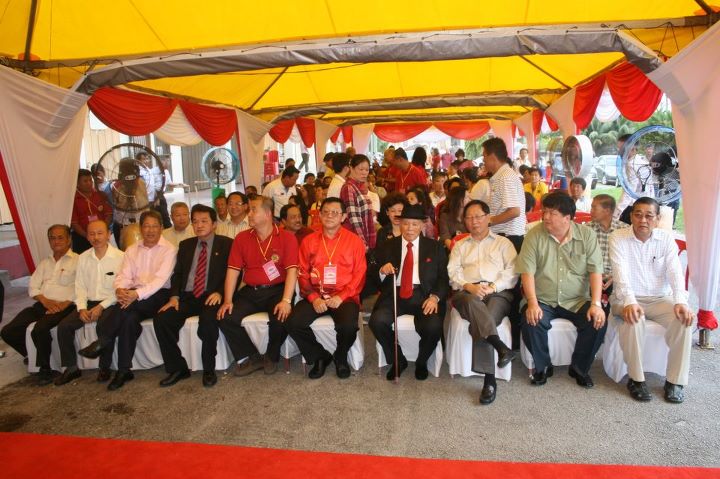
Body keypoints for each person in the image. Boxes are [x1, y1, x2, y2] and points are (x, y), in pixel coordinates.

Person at [78, 210, 176, 391]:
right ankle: (124, 370)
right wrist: (120, 289)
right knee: (129, 320)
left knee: (126, 308)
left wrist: (135, 295)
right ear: (140, 228)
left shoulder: (169, 250)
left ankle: (103, 341)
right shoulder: (132, 249)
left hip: (158, 294)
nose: (150, 230)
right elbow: (123, 275)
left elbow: (159, 280)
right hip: (134, 296)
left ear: (162, 228)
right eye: (146, 226)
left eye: (154, 226)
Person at [609, 197, 694, 403]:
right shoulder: (618, 237)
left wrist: (680, 301)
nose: (643, 220)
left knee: (683, 320)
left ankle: (675, 381)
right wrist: (630, 302)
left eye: (649, 216)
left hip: (659, 298)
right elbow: (620, 274)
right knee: (634, 319)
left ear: (657, 219)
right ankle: (636, 379)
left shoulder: (666, 239)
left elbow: (675, 271)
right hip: (625, 298)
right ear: (631, 217)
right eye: (638, 215)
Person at [516, 192, 606, 387]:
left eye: (552, 213)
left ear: (568, 218)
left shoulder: (587, 236)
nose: (545, 217)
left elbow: (595, 271)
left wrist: (596, 304)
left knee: (597, 321)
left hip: (577, 299)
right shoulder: (534, 235)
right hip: (543, 299)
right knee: (531, 320)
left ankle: (579, 368)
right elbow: (526, 272)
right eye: (545, 211)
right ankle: (543, 366)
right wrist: (532, 302)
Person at [283, 197, 367, 379]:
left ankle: (340, 356)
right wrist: (314, 298)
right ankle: (320, 356)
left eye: (335, 212)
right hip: (316, 293)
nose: (329, 216)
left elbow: (360, 274)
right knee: (292, 323)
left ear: (343, 217)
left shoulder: (354, 241)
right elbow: (302, 273)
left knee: (348, 326)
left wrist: (342, 296)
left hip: (344, 296)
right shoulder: (309, 241)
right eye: (326, 212)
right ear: (319, 215)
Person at [216, 196, 298, 376]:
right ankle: (252, 357)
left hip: (278, 289)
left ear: (268, 214)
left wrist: (286, 300)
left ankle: (271, 356)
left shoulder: (286, 237)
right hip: (251, 290)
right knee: (225, 317)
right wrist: (228, 300)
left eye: (254, 209)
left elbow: (292, 271)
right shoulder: (242, 238)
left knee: (281, 317)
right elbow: (233, 271)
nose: (249, 214)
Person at [152, 204, 232, 388]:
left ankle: (209, 369)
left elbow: (233, 273)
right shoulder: (186, 245)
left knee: (208, 321)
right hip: (187, 296)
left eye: (204, 221)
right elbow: (178, 274)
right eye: (195, 221)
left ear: (214, 224)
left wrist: (220, 292)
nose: (199, 225)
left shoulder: (227, 244)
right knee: (162, 319)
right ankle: (177, 368)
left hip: (212, 296)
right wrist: (174, 297)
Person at [449, 200, 518, 404]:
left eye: (478, 216)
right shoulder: (460, 246)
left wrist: (493, 287)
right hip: (467, 293)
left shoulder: (503, 243)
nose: (474, 221)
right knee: (474, 305)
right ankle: (500, 349)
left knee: (484, 319)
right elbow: (453, 273)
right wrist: (469, 286)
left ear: (488, 218)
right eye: (469, 217)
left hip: (498, 292)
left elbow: (513, 271)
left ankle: (490, 380)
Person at [369, 204, 448, 381]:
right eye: (406, 223)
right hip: (395, 294)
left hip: (424, 295)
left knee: (433, 326)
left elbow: (444, 278)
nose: (410, 228)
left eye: (414, 224)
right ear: (400, 224)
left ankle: (422, 361)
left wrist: (435, 297)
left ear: (422, 225)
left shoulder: (435, 247)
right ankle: (398, 360)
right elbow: (372, 275)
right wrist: (382, 270)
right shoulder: (387, 246)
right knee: (377, 321)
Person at [0, 225, 77, 385]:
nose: (56, 241)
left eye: (60, 237)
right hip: (43, 304)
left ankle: (46, 369)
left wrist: (64, 304)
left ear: (69, 239)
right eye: (52, 238)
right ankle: (32, 355)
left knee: (40, 328)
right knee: (8, 331)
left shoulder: (78, 261)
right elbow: (33, 287)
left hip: (64, 306)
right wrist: (45, 301)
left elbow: (81, 287)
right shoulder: (44, 263)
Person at [54, 220, 124, 386]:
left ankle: (105, 367)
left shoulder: (121, 257)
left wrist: (101, 306)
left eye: (100, 233)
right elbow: (80, 286)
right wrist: (81, 308)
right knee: (64, 326)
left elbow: (121, 288)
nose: (96, 237)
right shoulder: (83, 257)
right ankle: (71, 368)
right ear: (87, 236)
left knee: (104, 324)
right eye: (92, 234)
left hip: (111, 302)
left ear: (108, 234)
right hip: (89, 302)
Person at [483, 137, 526, 346]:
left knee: (510, 287)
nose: (483, 161)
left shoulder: (505, 177)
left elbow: (514, 211)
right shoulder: (501, 176)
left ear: (492, 156)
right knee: (503, 285)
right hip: (505, 237)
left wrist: (489, 221)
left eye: (484, 156)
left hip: (510, 239)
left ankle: (513, 337)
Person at [588, 194, 628, 317]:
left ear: (607, 211)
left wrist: (615, 276)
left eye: (594, 208)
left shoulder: (624, 230)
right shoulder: (587, 229)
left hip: (616, 277)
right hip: (592, 276)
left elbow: (629, 260)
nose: (591, 211)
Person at [71, 169, 113, 254]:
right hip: (82, 238)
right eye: (85, 181)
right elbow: (74, 223)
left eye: (90, 180)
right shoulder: (73, 199)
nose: (89, 183)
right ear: (77, 183)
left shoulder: (100, 194)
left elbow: (109, 214)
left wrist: (103, 230)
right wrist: (87, 236)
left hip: (101, 236)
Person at [340, 154, 376, 251]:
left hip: (361, 236)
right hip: (354, 239)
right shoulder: (349, 187)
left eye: (367, 170)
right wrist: (362, 243)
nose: (364, 173)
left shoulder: (359, 187)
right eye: (361, 169)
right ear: (351, 168)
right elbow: (354, 218)